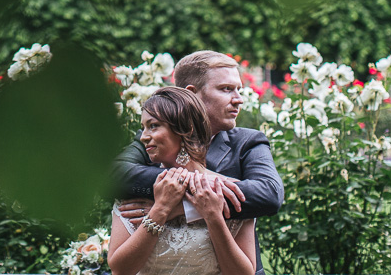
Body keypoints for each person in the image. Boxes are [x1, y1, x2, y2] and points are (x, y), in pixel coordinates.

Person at [112, 50, 283, 275]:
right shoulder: (153, 139)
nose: (239, 99)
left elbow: (269, 195)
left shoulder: (248, 142)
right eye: (226, 89)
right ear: (192, 93)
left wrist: (184, 206)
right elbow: (114, 176)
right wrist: (175, 187)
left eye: (238, 89)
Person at [108, 87, 257, 275]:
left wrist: (214, 217)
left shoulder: (227, 191)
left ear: (185, 128)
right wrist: (160, 209)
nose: (144, 137)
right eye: (143, 127)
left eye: (153, 126)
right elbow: (120, 269)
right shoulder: (135, 190)